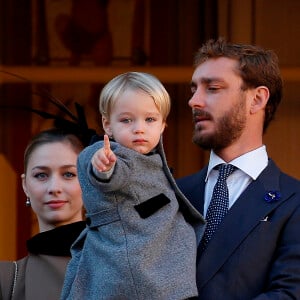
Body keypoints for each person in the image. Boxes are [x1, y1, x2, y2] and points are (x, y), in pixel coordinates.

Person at [61, 72, 206, 300]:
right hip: (135, 274)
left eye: (149, 120)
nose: (139, 128)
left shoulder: (151, 157)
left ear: (162, 126)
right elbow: (110, 175)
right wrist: (104, 167)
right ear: (107, 125)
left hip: (157, 268)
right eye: (126, 120)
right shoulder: (111, 155)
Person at [176, 37, 300, 299]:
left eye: (212, 88)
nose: (194, 101)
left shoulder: (294, 202)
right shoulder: (173, 192)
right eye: (193, 89)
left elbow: (289, 294)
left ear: (257, 99)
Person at [0, 128, 86, 300]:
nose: (54, 188)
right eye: (41, 175)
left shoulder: (122, 265)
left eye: (68, 174)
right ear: (25, 185)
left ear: (88, 180)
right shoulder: (7, 280)